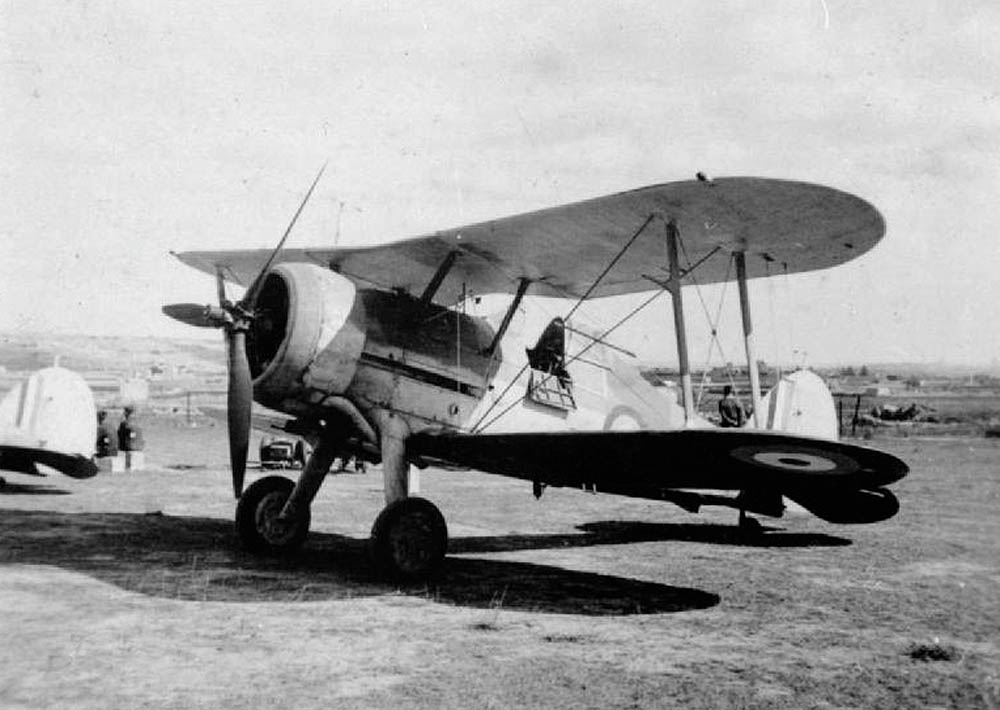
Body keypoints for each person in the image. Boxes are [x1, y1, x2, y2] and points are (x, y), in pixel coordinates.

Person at [118, 405, 145, 470]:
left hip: (129, 447)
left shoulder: (125, 423)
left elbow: (119, 434)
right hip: (140, 447)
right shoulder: (138, 422)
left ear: (125, 413)